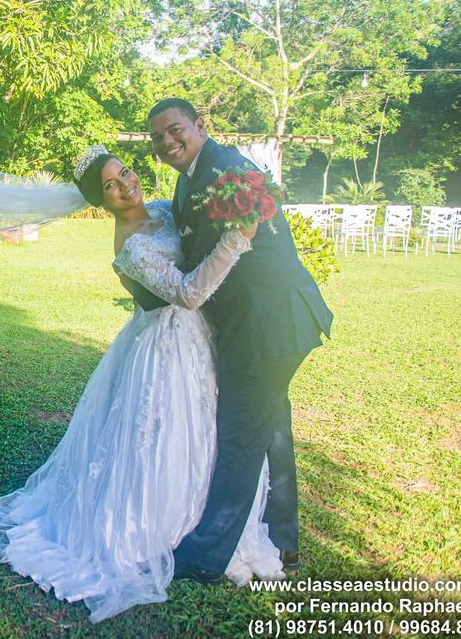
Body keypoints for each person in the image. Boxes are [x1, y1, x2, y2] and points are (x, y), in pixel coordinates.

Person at [0, 146, 284, 623]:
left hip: (202, 344)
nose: (125, 184)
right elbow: (188, 293)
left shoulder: (167, 210)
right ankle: (156, 527)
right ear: (101, 202)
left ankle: (210, 522)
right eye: (111, 185)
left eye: (123, 172)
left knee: (207, 432)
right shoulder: (130, 247)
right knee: (160, 437)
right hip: (165, 349)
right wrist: (237, 237)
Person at [147, 97, 333, 583]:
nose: (167, 142)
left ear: (199, 126)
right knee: (269, 427)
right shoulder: (191, 175)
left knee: (240, 436)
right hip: (260, 322)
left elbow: (225, 252)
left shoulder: (227, 170)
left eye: (175, 130)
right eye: (158, 138)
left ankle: (206, 557)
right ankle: (282, 540)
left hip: (268, 322)